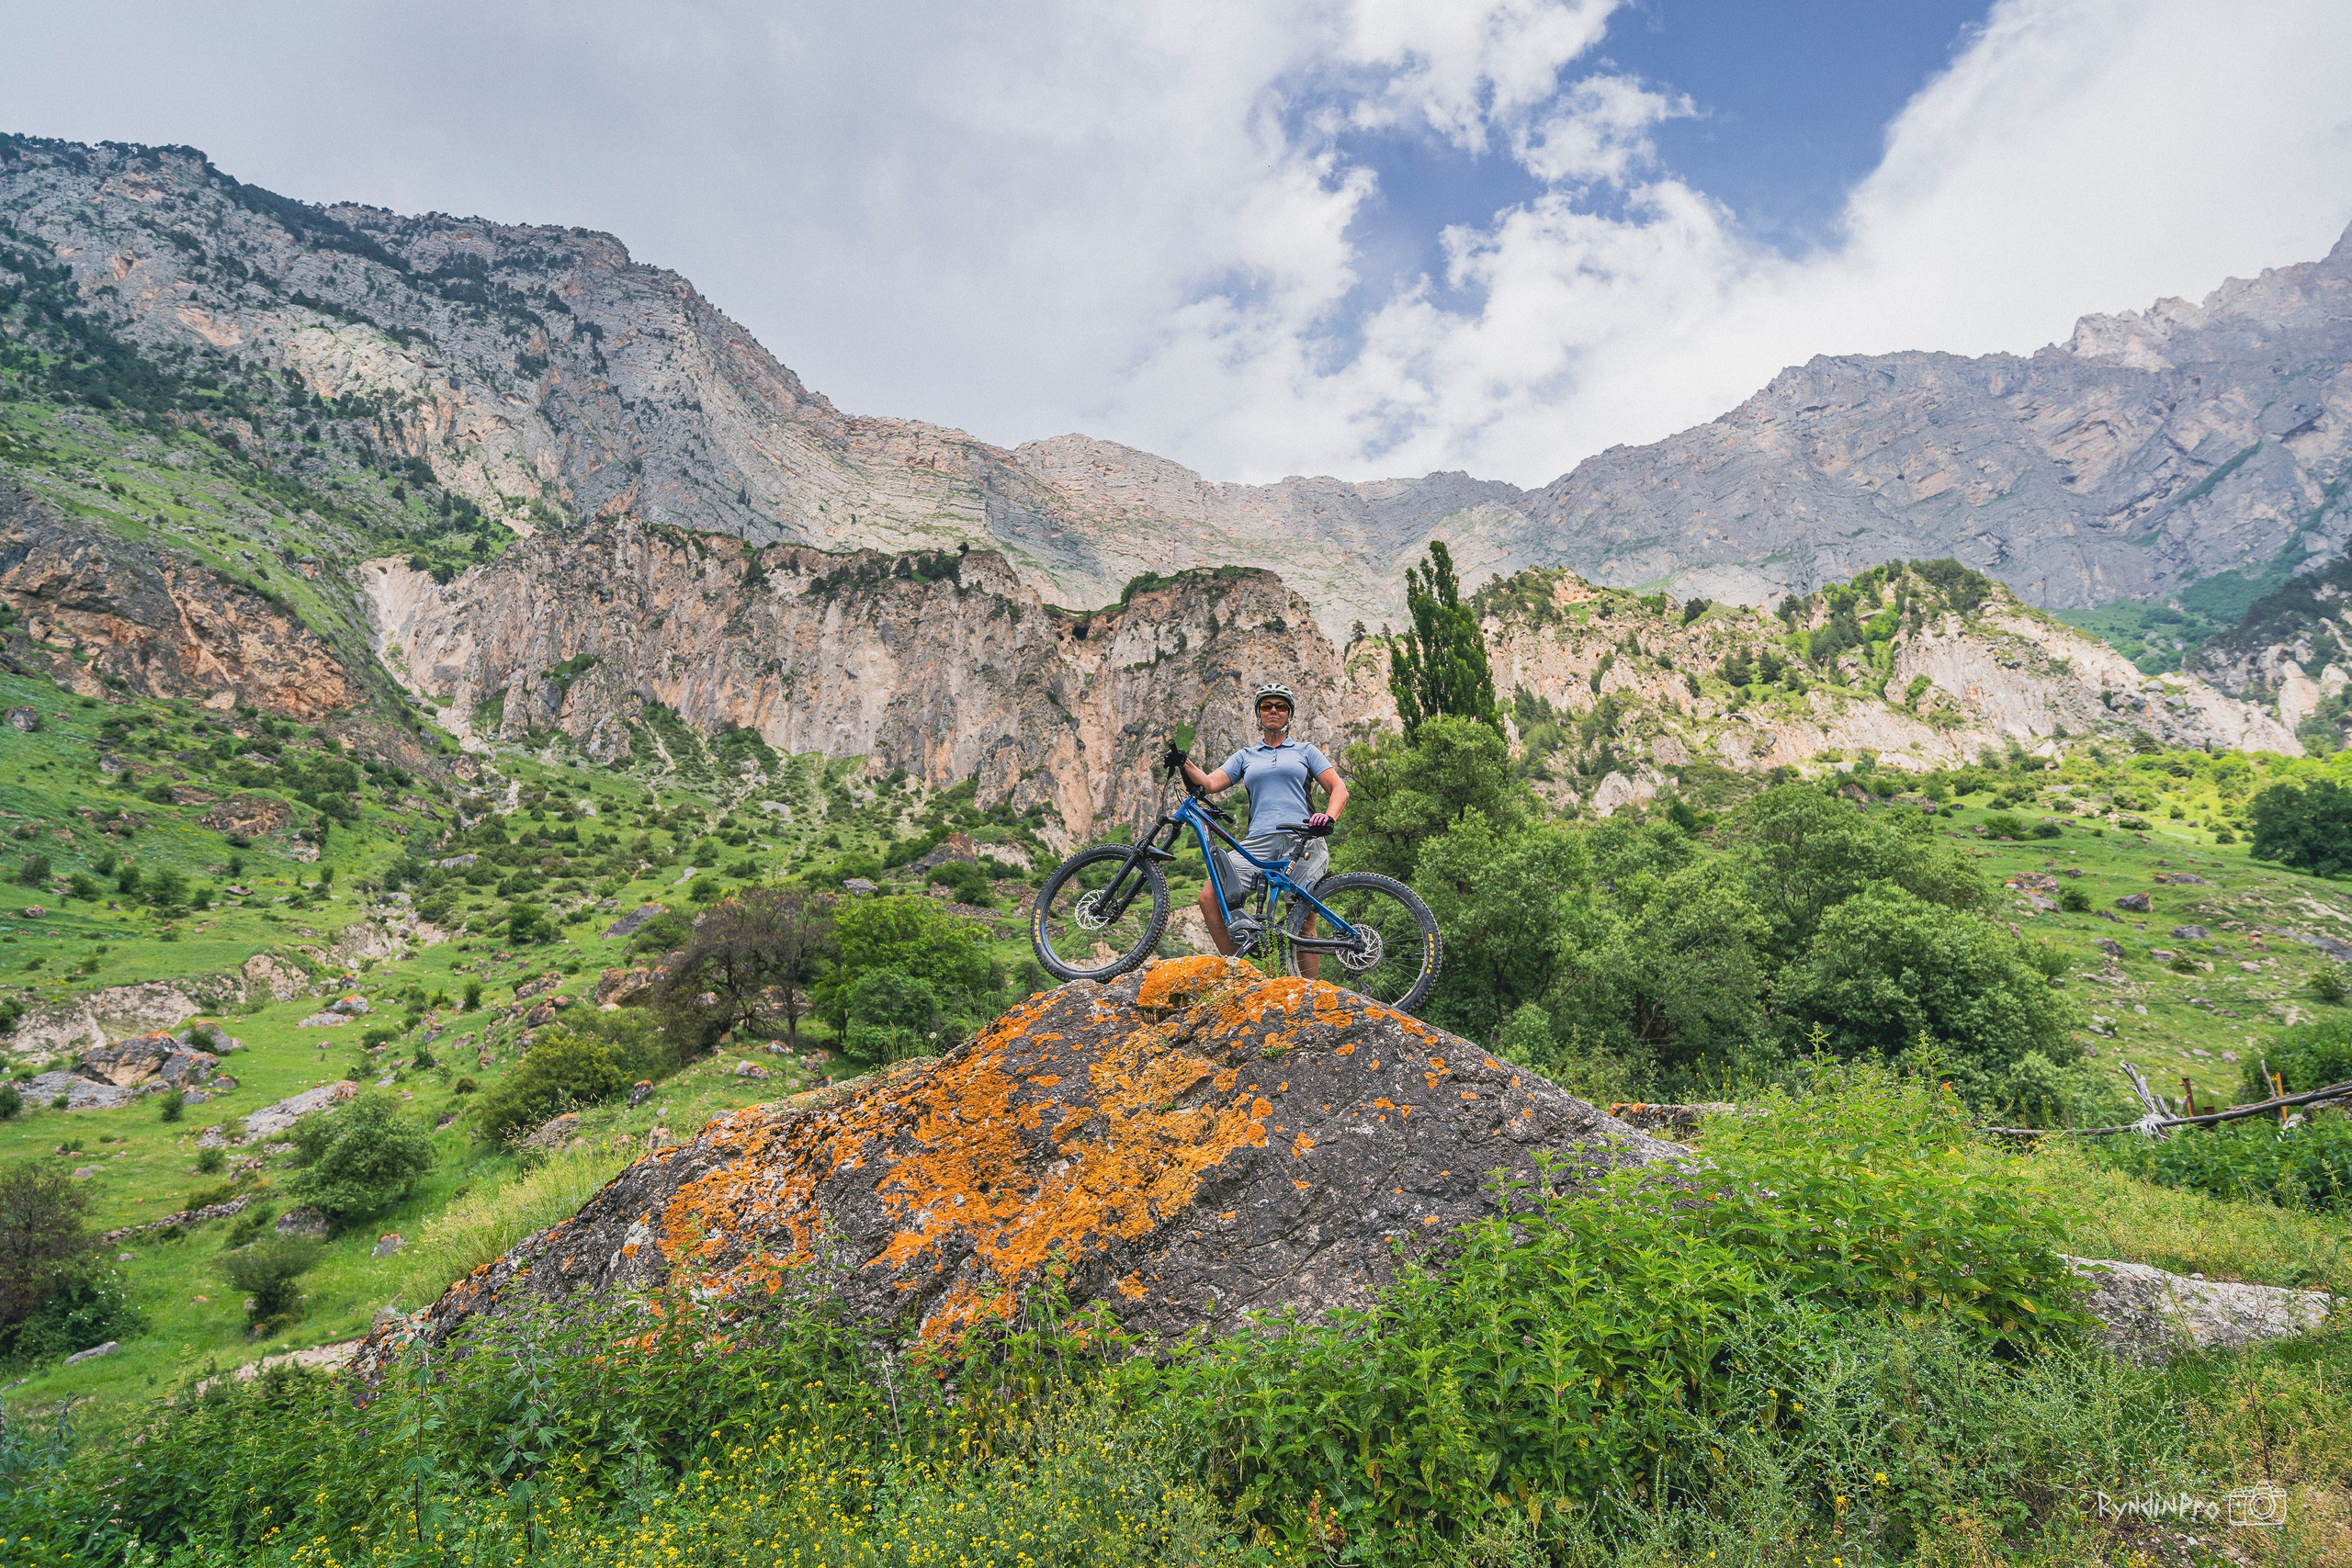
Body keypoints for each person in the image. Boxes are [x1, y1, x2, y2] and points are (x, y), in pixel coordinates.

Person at [1164, 682, 1348, 976]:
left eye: (1280, 706)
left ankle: (1310, 995)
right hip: (1257, 844)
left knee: (1303, 921)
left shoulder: (1306, 751)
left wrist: (1329, 817)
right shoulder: (1246, 756)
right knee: (1209, 897)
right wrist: (1183, 762)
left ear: (1289, 714)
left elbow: (1339, 789)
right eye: (1266, 706)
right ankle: (1242, 976)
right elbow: (1210, 784)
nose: (1273, 711)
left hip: (1302, 839)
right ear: (1258, 714)